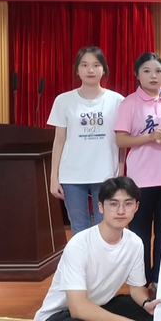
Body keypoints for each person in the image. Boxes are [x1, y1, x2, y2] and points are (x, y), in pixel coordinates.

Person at [34, 176, 161, 321]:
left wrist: (146, 303)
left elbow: (136, 288)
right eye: (113, 204)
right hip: (61, 315)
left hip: (98, 305)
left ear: (136, 207)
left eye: (128, 203)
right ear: (101, 207)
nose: (121, 211)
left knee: (148, 312)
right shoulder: (79, 245)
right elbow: (77, 308)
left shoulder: (135, 243)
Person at [113, 52, 161, 291]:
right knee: (140, 233)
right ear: (137, 75)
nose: (153, 76)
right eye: (147, 71)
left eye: (158, 71)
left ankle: (159, 280)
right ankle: (140, 282)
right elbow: (121, 140)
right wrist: (149, 137)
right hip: (140, 180)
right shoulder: (129, 103)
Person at [47, 46, 125, 235]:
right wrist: (54, 177)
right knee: (79, 229)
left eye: (96, 65)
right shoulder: (63, 101)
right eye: (84, 65)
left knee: (105, 228)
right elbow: (59, 140)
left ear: (104, 69)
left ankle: (103, 257)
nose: (90, 70)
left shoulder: (117, 101)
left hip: (106, 174)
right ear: (77, 70)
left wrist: (121, 171)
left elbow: (121, 140)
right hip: (72, 176)